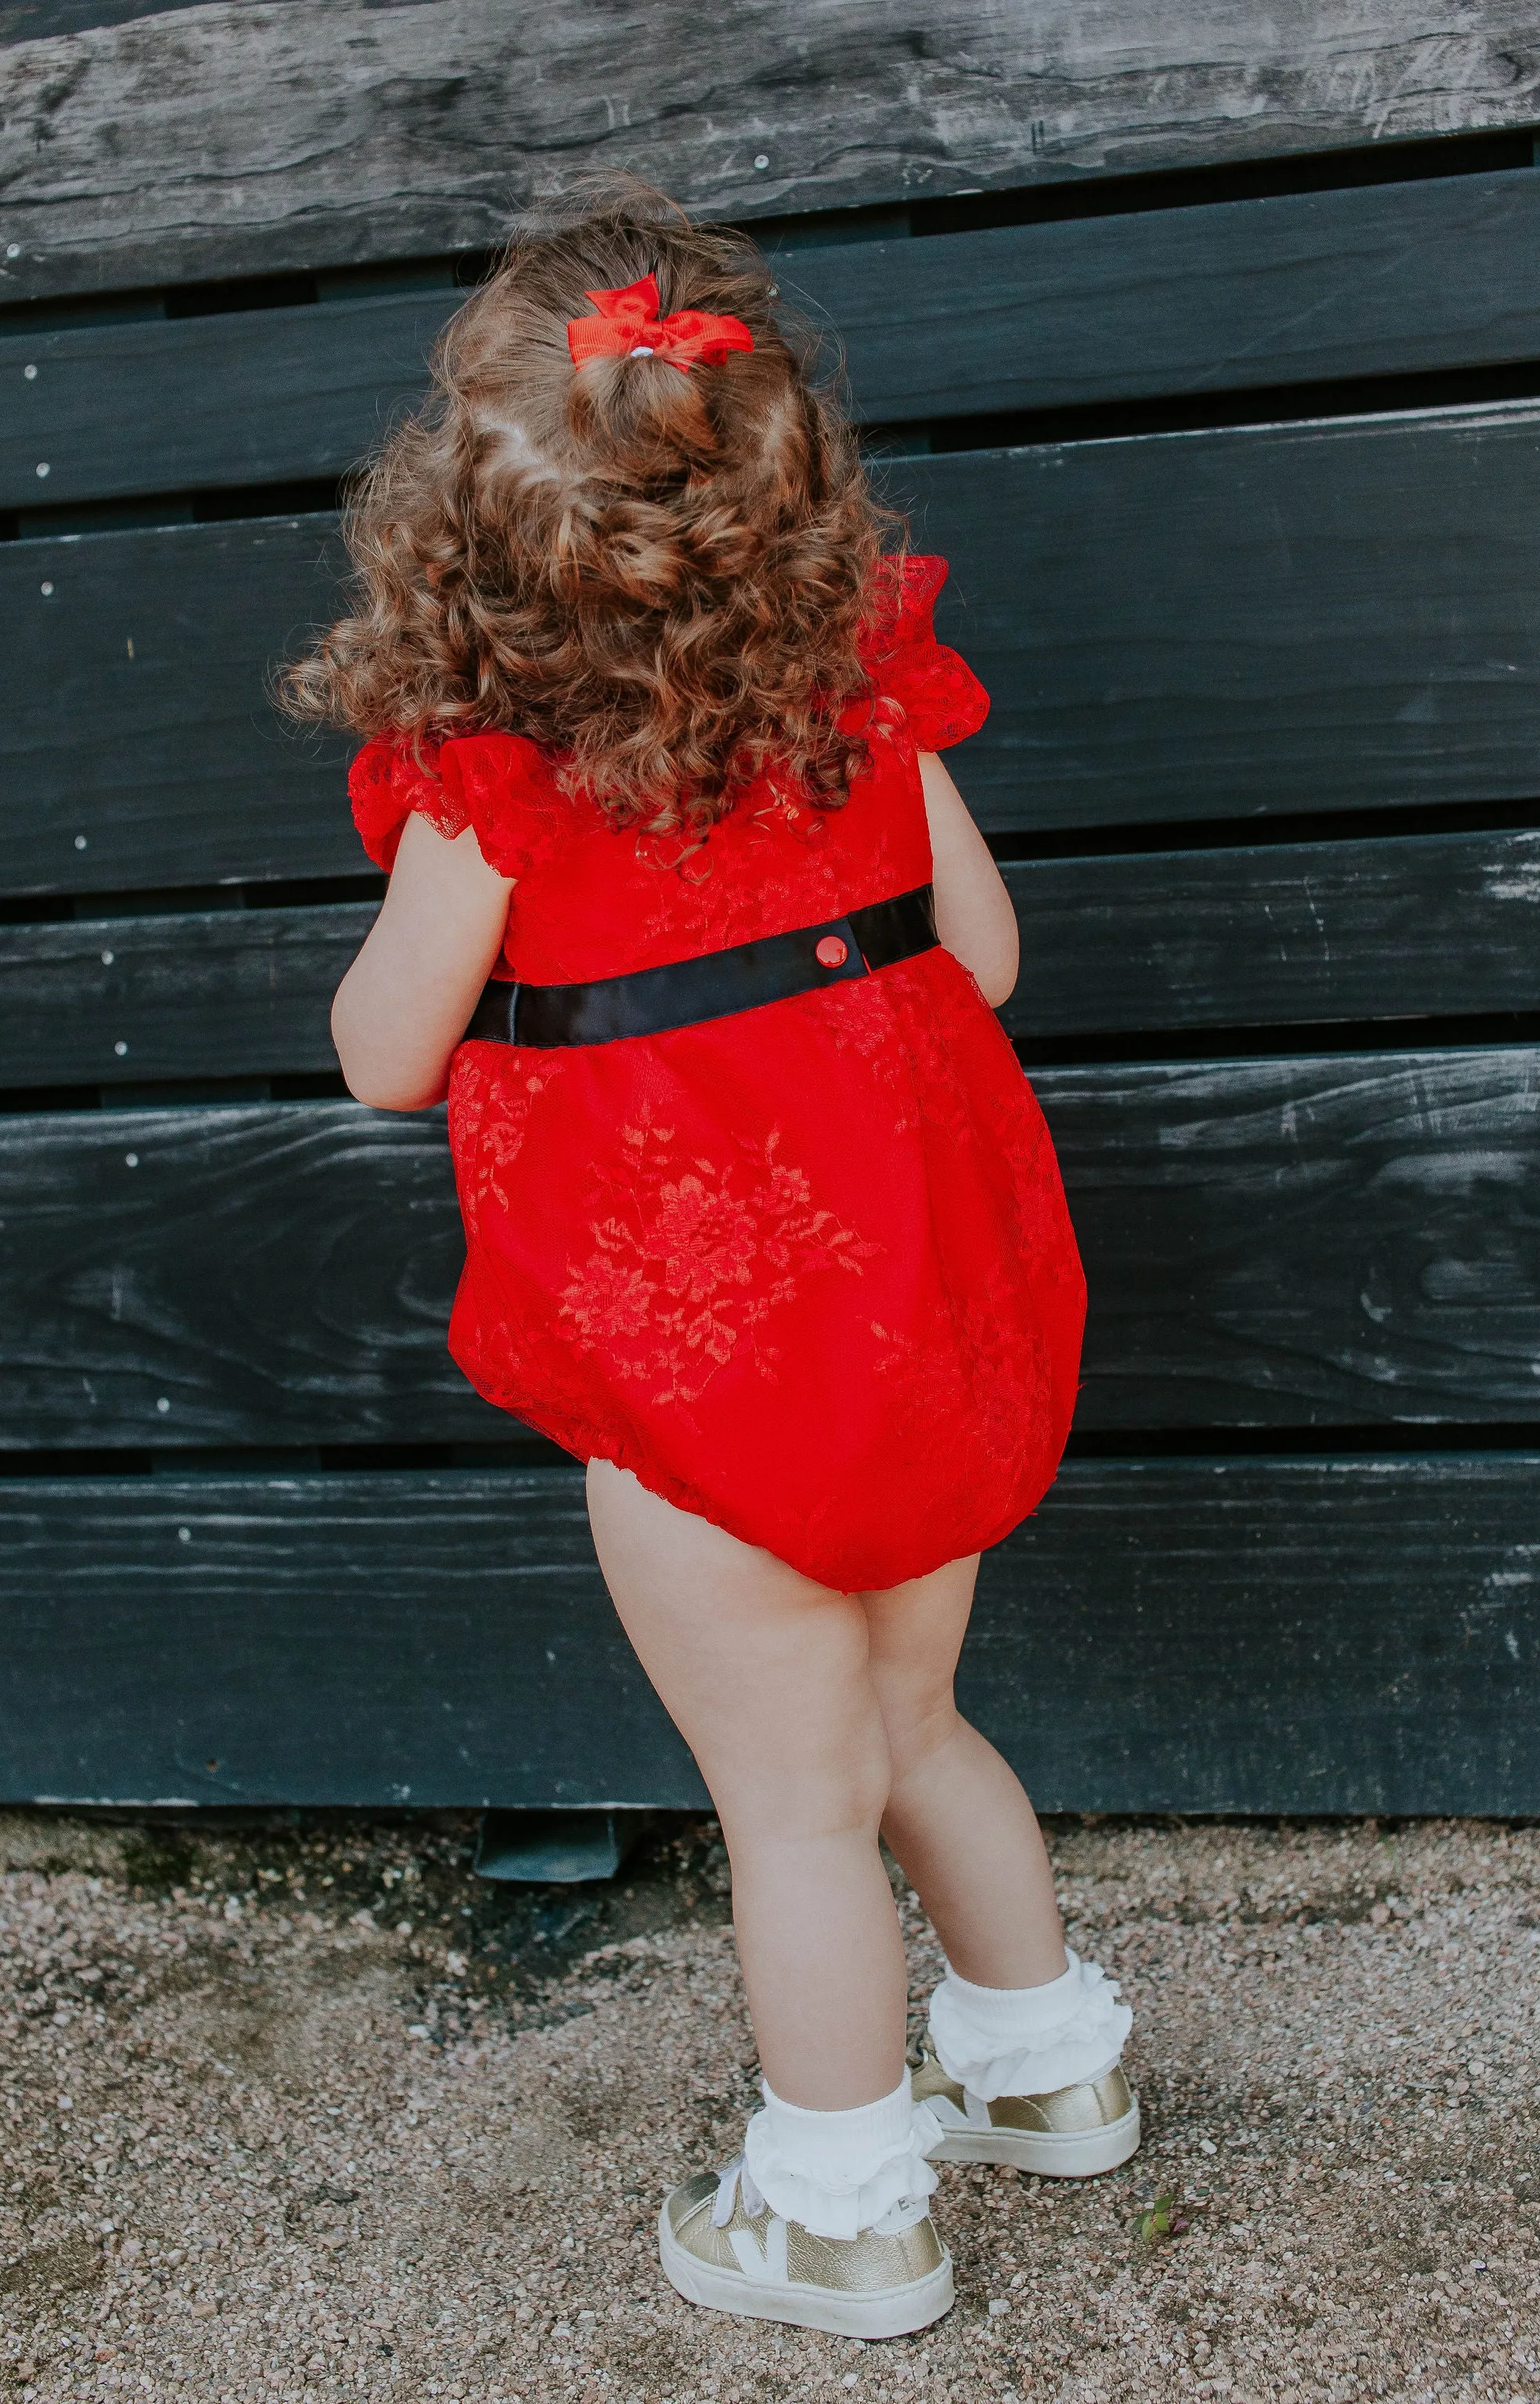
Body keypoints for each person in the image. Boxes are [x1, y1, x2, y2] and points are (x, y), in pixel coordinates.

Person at [284, 185, 1139, 2341]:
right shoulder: (867, 707)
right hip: (915, 1330)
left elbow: (387, 1058)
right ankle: (1046, 2076)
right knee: (918, 1722)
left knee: (788, 1801)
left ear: (470, 525)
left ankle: (842, 2209)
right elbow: (994, 958)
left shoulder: (496, 792)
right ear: (787, 493)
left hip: (700, 1384)